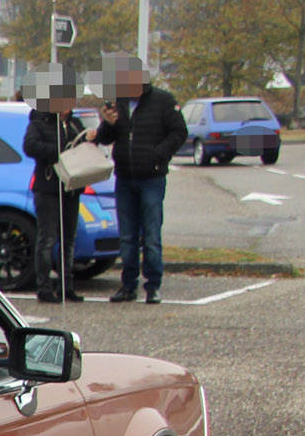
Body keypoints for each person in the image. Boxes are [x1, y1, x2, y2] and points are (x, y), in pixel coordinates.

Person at [92, 53, 186, 304]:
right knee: (127, 236)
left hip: (151, 178)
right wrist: (108, 123)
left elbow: (179, 132)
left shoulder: (162, 101)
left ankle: (153, 286)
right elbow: (105, 138)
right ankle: (128, 285)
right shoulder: (119, 102)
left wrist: (159, 154)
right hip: (125, 177)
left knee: (152, 235)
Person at [21, 64, 86, 304]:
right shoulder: (40, 122)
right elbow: (30, 146)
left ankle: (67, 284)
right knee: (47, 238)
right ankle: (44, 287)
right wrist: (57, 151)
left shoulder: (76, 124)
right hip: (47, 188)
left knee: (68, 238)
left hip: (71, 188)